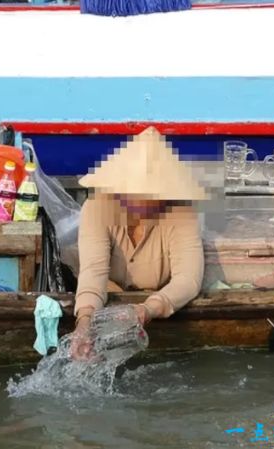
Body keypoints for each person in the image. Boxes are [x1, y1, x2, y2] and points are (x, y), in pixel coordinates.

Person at [70, 127, 208, 360]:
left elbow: (188, 279)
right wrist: (83, 323)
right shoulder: (96, 208)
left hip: (158, 302)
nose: (142, 199)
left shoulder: (182, 213)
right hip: (108, 299)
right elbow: (93, 272)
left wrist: (149, 309)